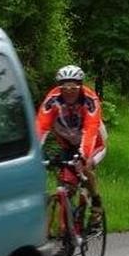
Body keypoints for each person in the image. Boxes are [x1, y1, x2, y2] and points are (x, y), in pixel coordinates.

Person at [35, 64, 107, 218]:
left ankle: (96, 203)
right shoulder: (52, 100)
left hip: (95, 142)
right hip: (68, 144)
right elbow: (41, 126)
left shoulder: (89, 100)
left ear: (80, 86)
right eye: (65, 88)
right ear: (59, 88)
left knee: (85, 167)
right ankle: (70, 217)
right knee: (65, 180)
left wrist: (83, 155)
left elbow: (90, 130)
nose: (69, 92)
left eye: (73, 88)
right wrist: (34, 153)